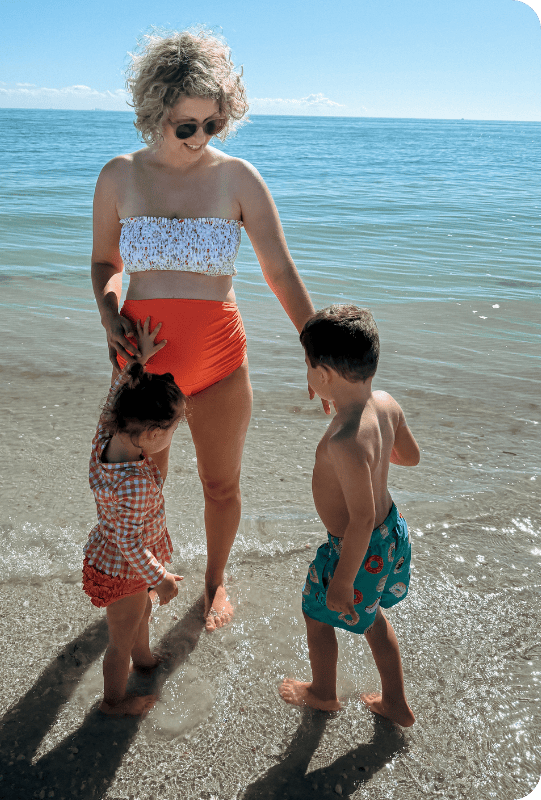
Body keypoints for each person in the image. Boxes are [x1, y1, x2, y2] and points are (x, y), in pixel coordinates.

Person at [91, 28, 324, 631]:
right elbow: (106, 264)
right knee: (144, 490)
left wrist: (316, 348)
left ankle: (215, 583)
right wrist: (107, 308)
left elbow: (278, 268)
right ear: (155, 112)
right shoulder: (119, 175)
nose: (199, 138)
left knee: (220, 485)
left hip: (220, 358)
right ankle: (145, 584)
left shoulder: (239, 178)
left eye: (211, 125)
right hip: (142, 365)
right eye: (185, 125)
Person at [279, 305, 420, 727]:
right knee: (374, 617)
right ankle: (394, 700)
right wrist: (376, 453)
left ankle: (323, 692)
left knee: (316, 615)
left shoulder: (343, 441)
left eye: (307, 366)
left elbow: (358, 520)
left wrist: (341, 579)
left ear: (323, 374)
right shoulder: (385, 404)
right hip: (391, 532)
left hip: (357, 548)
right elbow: (410, 457)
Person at [82, 318, 186, 716]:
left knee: (140, 612)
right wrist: (158, 578)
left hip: (117, 556)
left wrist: (138, 361)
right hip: (126, 567)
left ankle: (143, 658)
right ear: (155, 435)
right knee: (118, 640)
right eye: (174, 429)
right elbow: (131, 544)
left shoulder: (105, 440)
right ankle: (114, 702)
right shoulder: (135, 484)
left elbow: (116, 396)